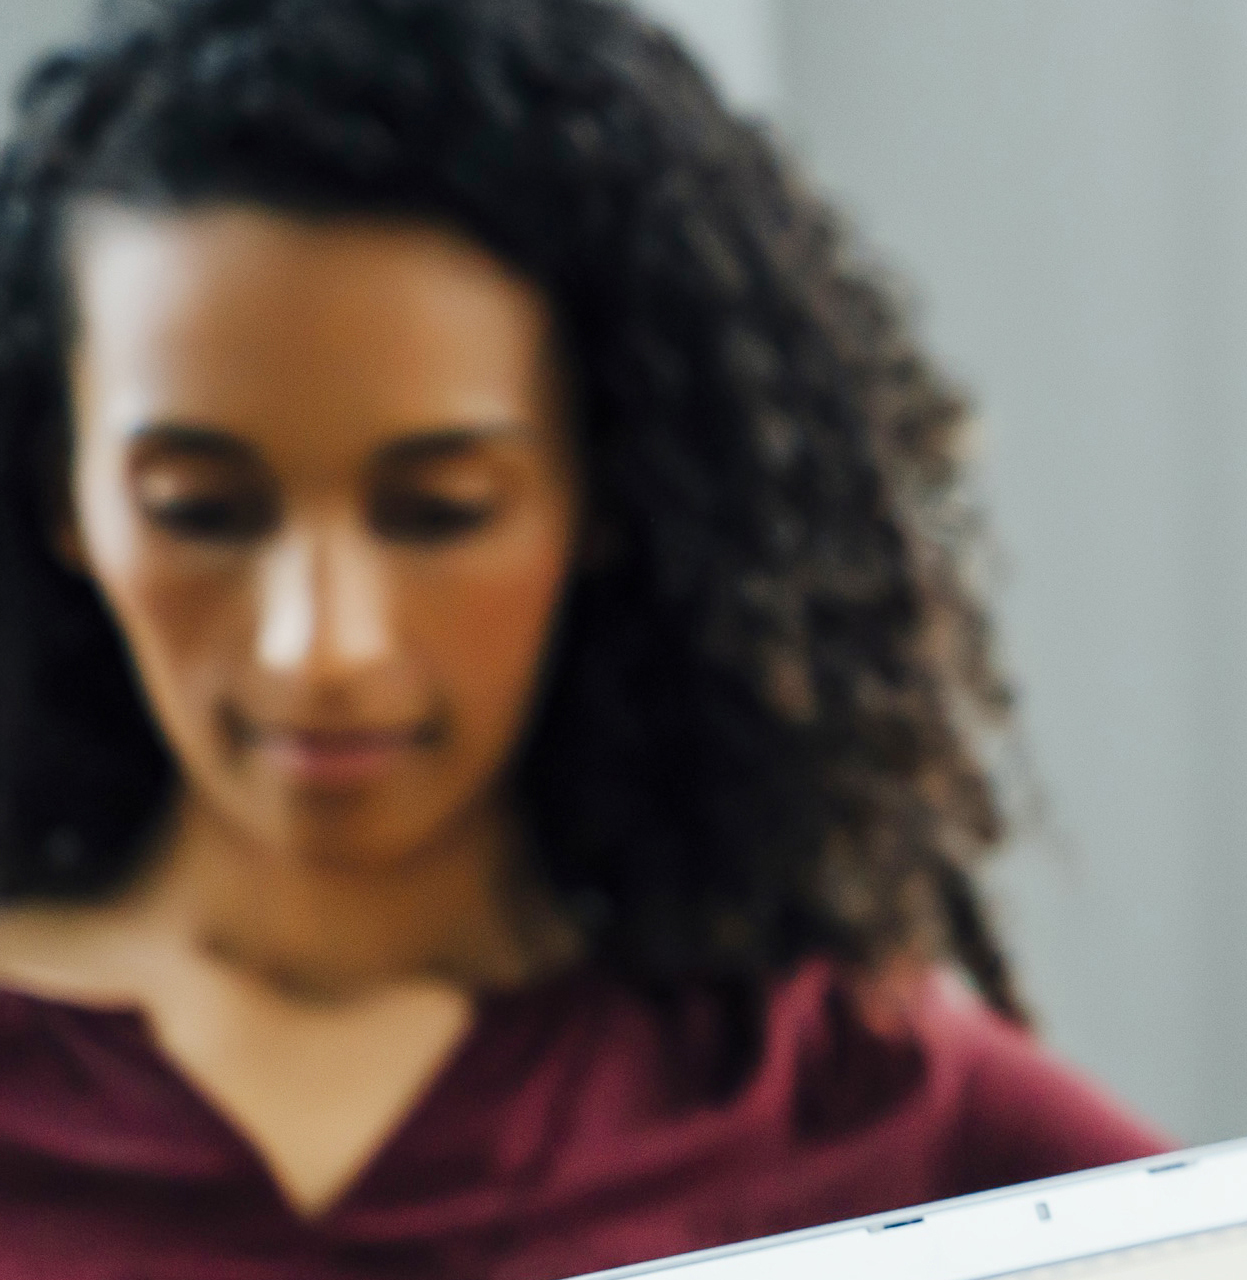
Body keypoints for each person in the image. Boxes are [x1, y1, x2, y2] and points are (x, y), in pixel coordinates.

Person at [0, 0, 1167, 1273]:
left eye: (440, 510)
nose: (315, 647)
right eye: (200, 511)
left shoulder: (848, 1093)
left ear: (607, 493)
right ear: (61, 492)